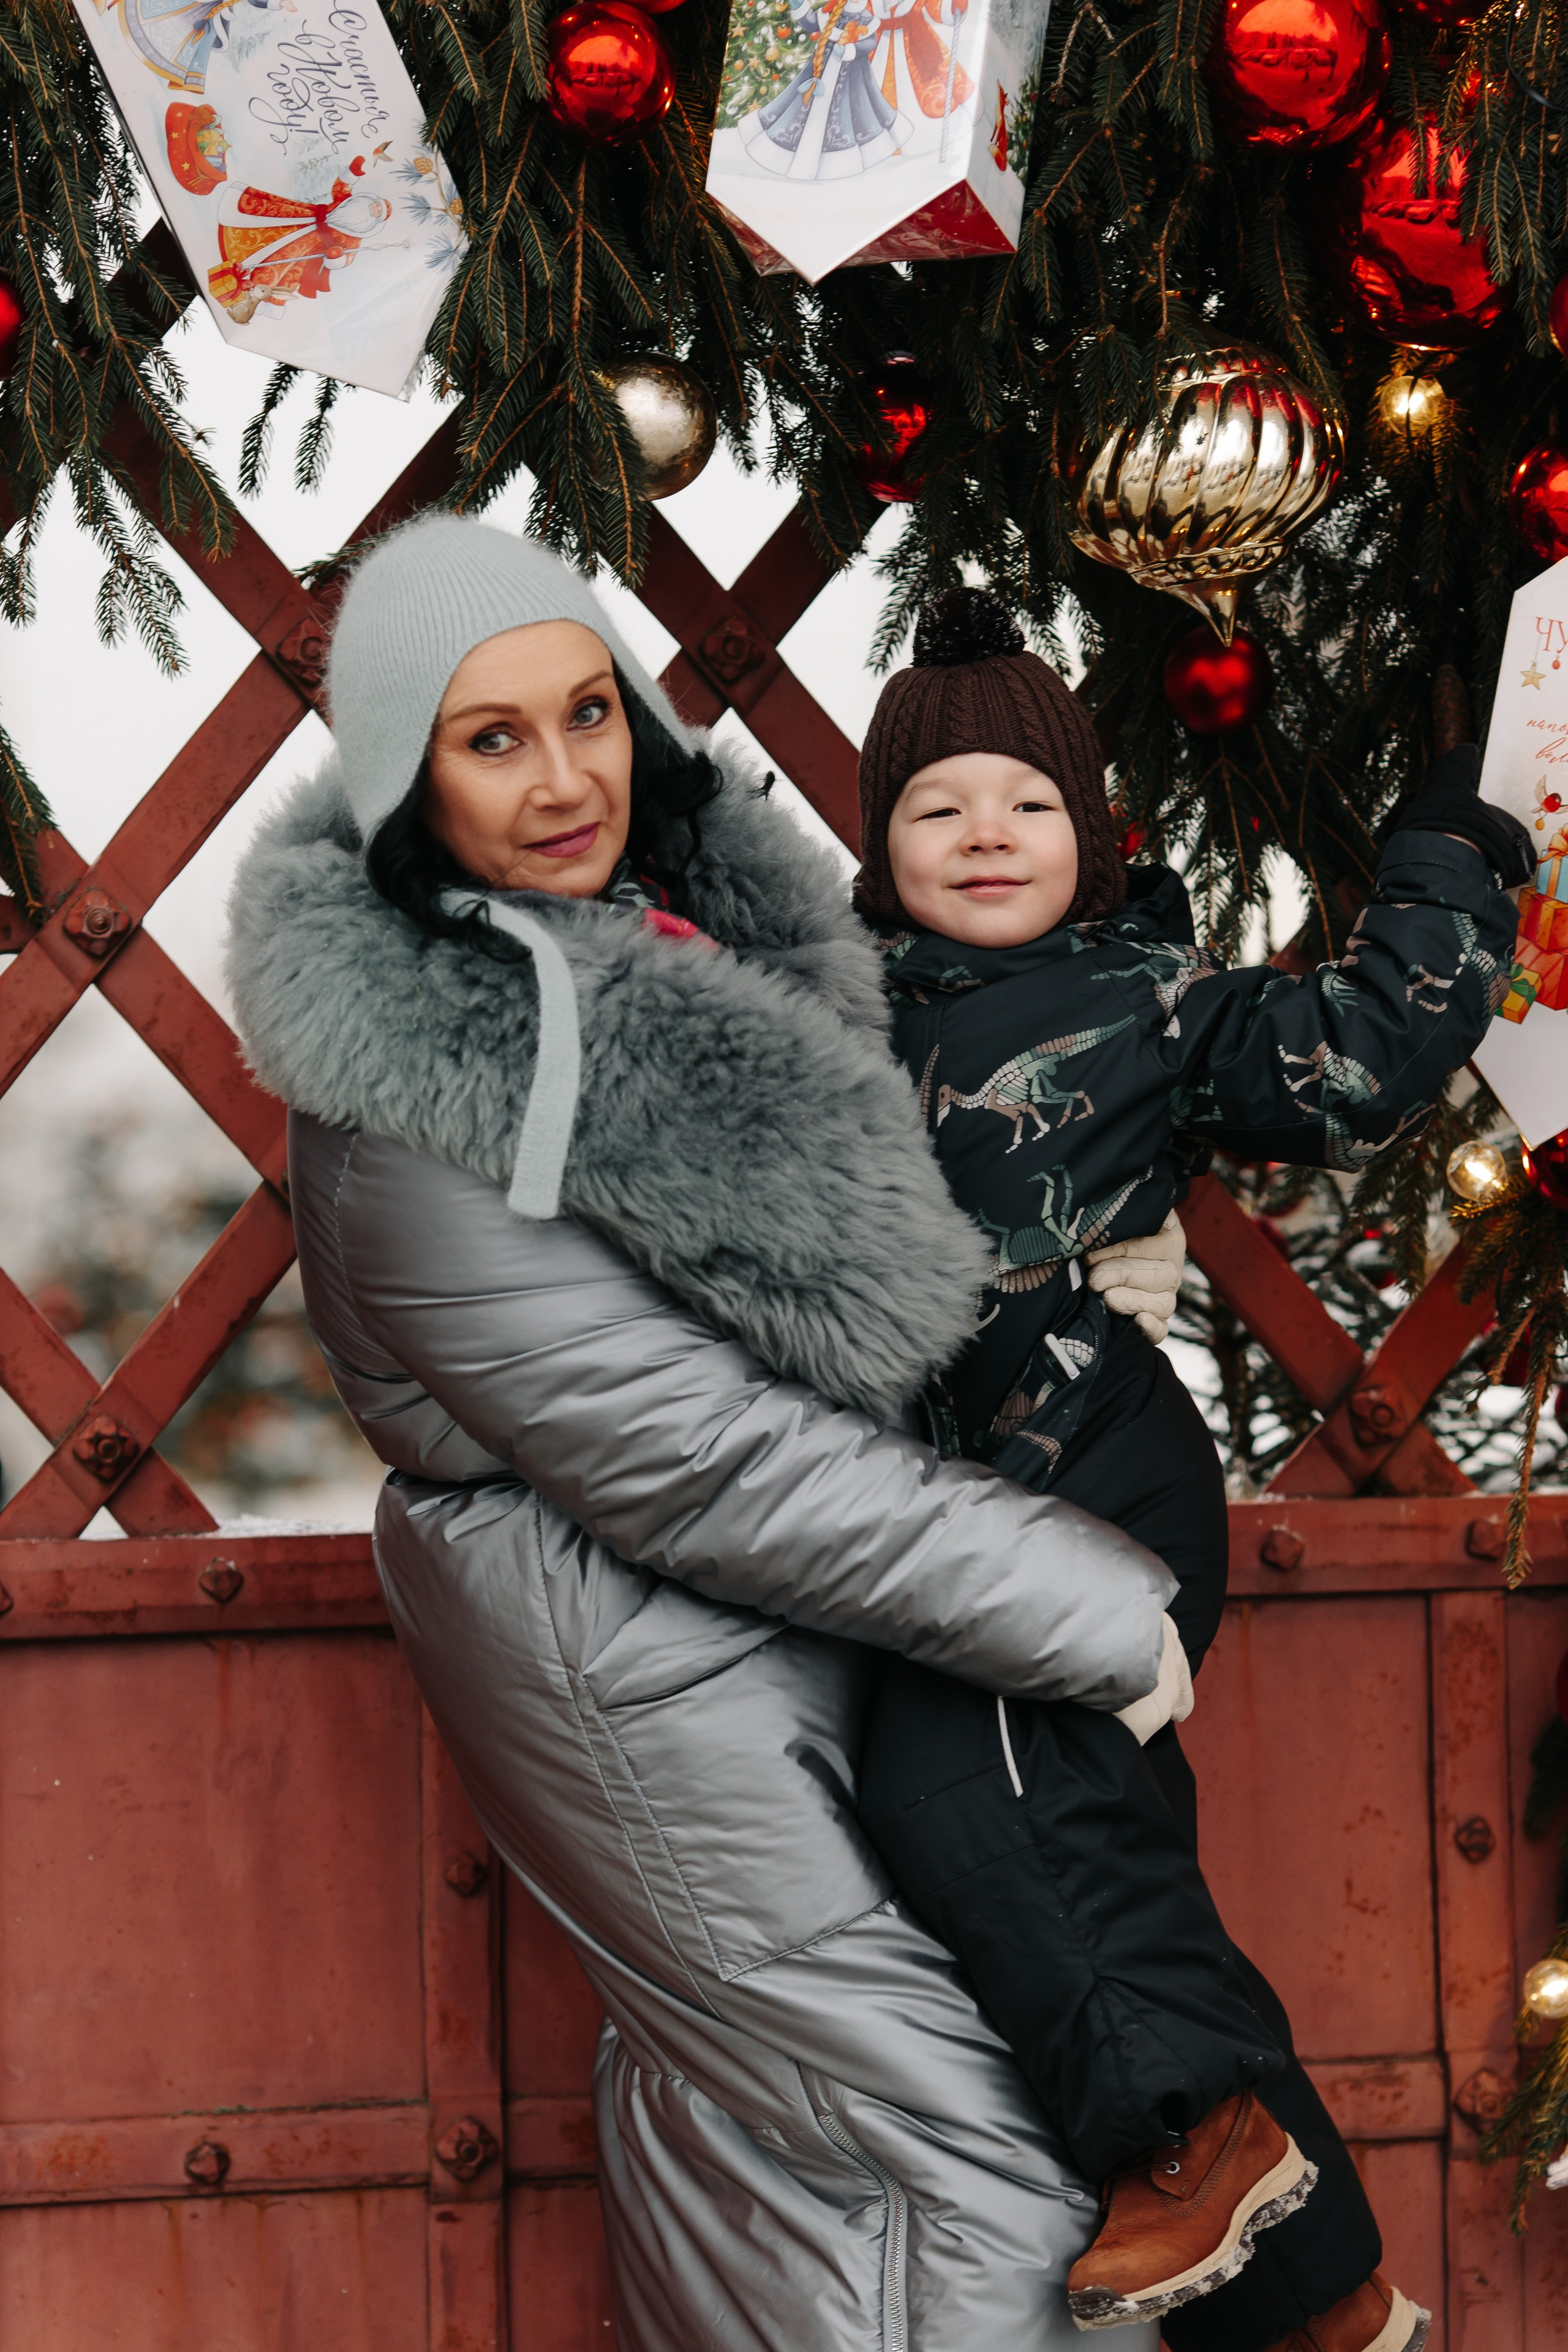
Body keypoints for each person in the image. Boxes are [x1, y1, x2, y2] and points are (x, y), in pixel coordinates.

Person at [226, 514, 1194, 2351]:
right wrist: (1095, 1609)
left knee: (774, 2148)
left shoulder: (666, 963)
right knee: (963, 2165)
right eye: (490, 737)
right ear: (400, 776)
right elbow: (696, 1453)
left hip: (740, 1658)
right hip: (643, 1684)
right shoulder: (417, 1094)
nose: (567, 776)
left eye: (588, 713)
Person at [849, 587, 1532, 2352]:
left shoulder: (1145, 997)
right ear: (878, 852)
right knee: (1098, 1857)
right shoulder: (829, 1020)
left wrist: (1452, 858)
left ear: (1094, 832)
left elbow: (1371, 1055)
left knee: (960, 1770)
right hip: (935, 1503)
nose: (987, 834)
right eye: (938, 808)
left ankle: (1188, 2138)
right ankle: (1322, 2304)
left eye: (1028, 802)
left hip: (1089, 1446)